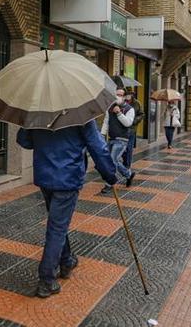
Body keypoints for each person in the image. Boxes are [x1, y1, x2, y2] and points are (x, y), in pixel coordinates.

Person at [17, 121, 118, 298]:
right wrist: (110, 174)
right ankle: (46, 280)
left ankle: (66, 261)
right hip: (67, 178)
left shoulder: (38, 113)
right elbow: (97, 146)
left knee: (58, 224)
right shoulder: (81, 113)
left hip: (45, 176)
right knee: (57, 228)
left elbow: (24, 141)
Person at [100, 89, 135, 192]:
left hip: (122, 139)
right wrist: (102, 135)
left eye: (120, 95)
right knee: (113, 160)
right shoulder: (110, 107)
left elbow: (128, 123)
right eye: (116, 94)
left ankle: (109, 184)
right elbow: (106, 122)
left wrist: (119, 113)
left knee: (112, 160)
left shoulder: (129, 109)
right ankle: (128, 174)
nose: (118, 96)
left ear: (124, 97)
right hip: (111, 138)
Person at [123, 88, 144, 170]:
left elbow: (141, 114)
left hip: (131, 129)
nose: (128, 96)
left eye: (130, 94)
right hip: (121, 128)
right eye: (127, 94)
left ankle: (127, 165)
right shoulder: (122, 102)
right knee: (121, 148)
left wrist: (134, 120)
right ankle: (125, 161)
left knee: (129, 148)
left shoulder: (137, 103)